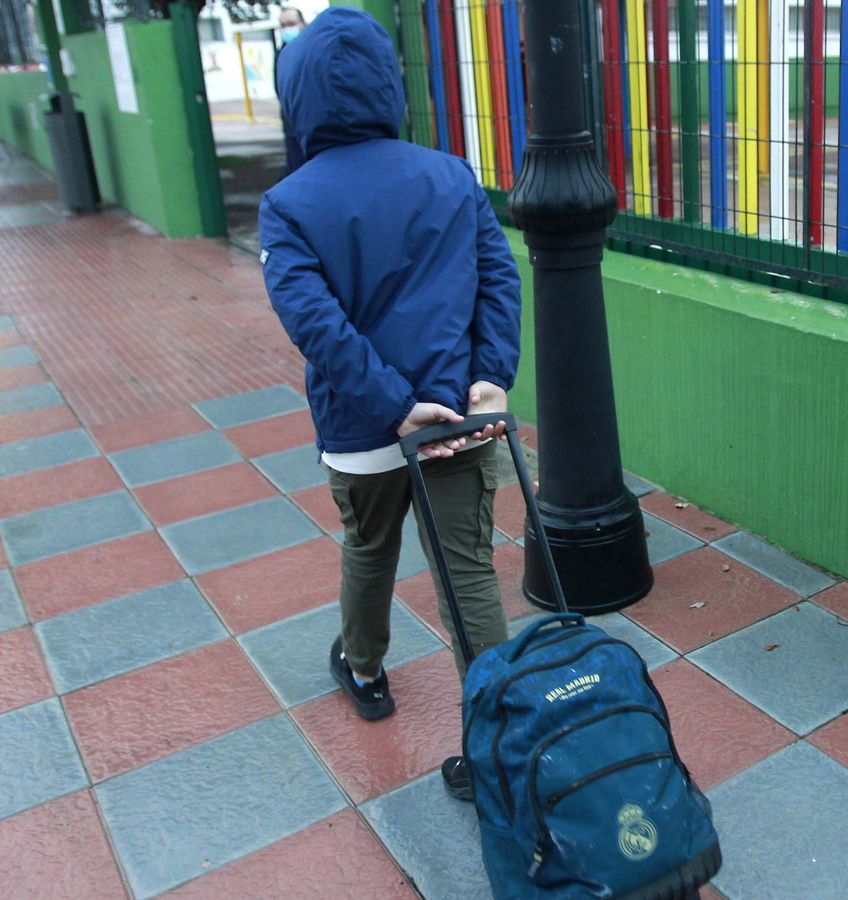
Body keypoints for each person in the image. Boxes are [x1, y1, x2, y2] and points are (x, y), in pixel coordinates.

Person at [259, 7, 522, 802]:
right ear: (388, 83)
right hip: (458, 417)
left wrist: (390, 406)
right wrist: (490, 376)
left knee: (368, 548)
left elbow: (317, 326)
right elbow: (498, 280)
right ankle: (498, 747)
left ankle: (365, 670)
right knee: (467, 571)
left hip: (364, 430)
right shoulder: (451, 175)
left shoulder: (289, 204)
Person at [275, 7, 307, 176]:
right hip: (292, 127)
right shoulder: (281, 55)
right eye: (283, 25)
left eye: (291, 23)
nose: (287, 28)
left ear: (303, 23)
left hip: (314, 126)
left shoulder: (314, 50)